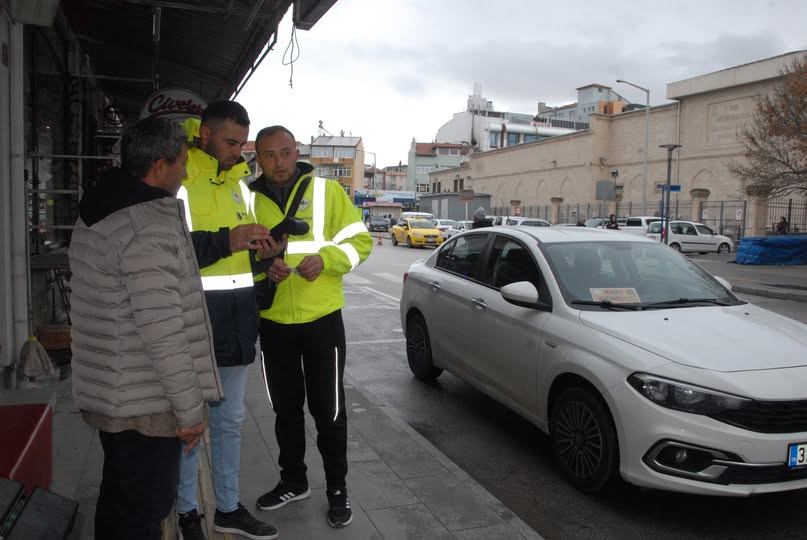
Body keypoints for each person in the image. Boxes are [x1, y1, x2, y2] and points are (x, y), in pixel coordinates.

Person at [69, 117, 220, 540]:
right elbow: (163, 329)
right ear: (159, 166)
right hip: (145, 399)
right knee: (146, 509)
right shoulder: (147, 225)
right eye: (182, 163)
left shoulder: (100, 208)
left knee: (119, 497)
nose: (186, 172)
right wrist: (190, 412)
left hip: (113, 390)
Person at [248, 125, 373, 528]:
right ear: (259, 158)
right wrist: (265, 269)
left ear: (296, 150)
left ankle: (337, 487)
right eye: (269, 155)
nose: (279, 162)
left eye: (285, 152)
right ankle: (293, 480)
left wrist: (328, 260)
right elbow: (234, 261)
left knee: (329, 410)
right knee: (284, 408)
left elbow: (361, 242)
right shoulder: (245, 200)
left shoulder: (327, 192)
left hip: (322, 320)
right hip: (274, 322)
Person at [175, 101, 280, 540]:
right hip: (191, 322)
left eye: (242, 143)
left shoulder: (241, 186)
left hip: (237, 320)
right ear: (205, 135)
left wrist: (266, 264)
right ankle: (186, 513)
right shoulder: (180, 178)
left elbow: (241, 259)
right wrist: (229, 238)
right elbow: (170, 250)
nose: (238, 152)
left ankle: (229, 508)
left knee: (231, 421)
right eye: (230, 142)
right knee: (187, 423)